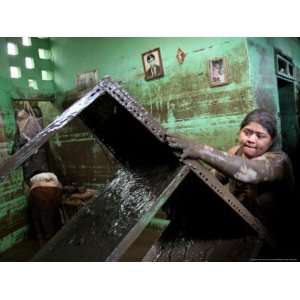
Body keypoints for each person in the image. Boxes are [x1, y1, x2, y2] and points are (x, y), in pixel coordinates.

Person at [166, 109, 295, 248]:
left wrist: (200, 150)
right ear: (239, 132)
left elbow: (249, 172)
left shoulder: (278, 161)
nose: (251, 139)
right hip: (241, 225)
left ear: (271, 141)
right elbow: (214, 178)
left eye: (260, 136)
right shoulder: (236, 152)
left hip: (271, 235)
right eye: (247, 132)